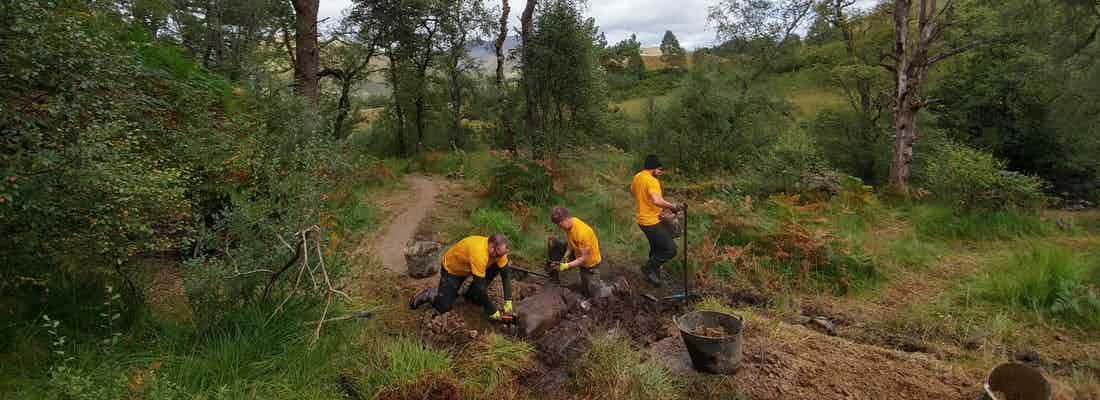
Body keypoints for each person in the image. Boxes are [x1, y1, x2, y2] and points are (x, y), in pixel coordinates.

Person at [409, 234, 514, 321]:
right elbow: (480, 287)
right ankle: (430, 294)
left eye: (502, 255)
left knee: (497, 268)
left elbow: (505, 275)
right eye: (498, 254)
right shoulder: (479, 254)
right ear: (491, 246)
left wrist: (508, 301)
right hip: (453, 270)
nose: (499, 257)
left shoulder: (499, 252)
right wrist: (492, 310)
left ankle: (471, 294)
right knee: (444, 306)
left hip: (469, 269)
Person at [630, 154, 681, 286]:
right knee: (670, 250)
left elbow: (634, 191)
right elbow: (657, 200)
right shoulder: (652, 181)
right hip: (651, 222)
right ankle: (648, 269)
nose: (660, 172)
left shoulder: (638, 177)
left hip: (642, 220)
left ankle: (654, 275)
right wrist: (672, 207)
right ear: (653, 168)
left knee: (656, 247)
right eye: (659, 169)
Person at [550, 207, 610, 298]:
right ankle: (596, 283)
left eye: (559, 224)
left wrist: (567, 266)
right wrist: (566, 256)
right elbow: (571, 242)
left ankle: (616, 287)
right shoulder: (570, 225)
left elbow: (583, 258)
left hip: (591, 264)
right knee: (586, 286)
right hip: (582, 263)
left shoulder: (583, 233)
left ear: (565, 219)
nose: (559, 227)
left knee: (597, 294)